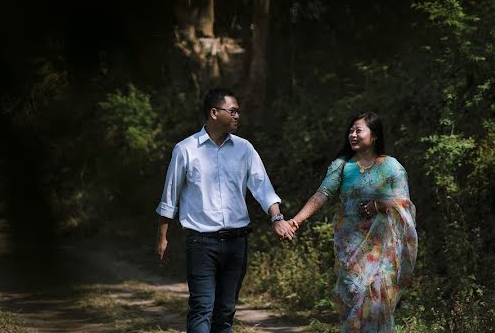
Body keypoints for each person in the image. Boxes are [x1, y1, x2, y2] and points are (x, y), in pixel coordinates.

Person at [155, 88, 296, 333]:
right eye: (232, 111)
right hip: (200, 243)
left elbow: (263, 187)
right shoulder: (185, 149)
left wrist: (277, 218)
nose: (237, 116)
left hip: (236, 243)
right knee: (201, 308)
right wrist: (163, 238)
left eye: (238, 112)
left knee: (225, 312)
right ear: (213, 113)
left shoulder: (244, 149)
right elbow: (170, 197)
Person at [288, 111, 417, 333]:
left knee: (378, 300)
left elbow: (403, 203)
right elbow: (322, 194)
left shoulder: (391, 167)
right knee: (354, 296)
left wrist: (378, 205)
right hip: (350, 247)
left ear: (374, 135)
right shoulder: (342, 166)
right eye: (350, 130)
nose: (353, 135)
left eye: (358, 130)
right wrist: (296, 220)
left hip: (382, 249)